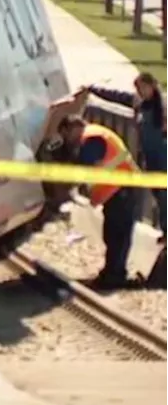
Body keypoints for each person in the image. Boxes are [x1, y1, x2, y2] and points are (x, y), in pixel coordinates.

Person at [55, 110, 140, 290]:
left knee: (118, 234)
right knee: (113, 233)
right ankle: (112, 272)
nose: (67, 141)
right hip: (117, 191)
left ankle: (115, 275)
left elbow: (85, 164)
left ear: (73, 128)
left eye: (66, 135)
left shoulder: (91, 138)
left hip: (121, 189)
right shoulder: (93, 136)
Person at [84, 73, 168, 237]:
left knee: (165, 197)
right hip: (150, 158)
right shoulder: (139, 103)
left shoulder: (163, 106)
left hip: (164, 156)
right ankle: (165, 230)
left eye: (143, 87)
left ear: (152, 86)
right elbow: (117, 97)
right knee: (158, 196)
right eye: (137, 88)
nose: (140, 91)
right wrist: (93, 89)